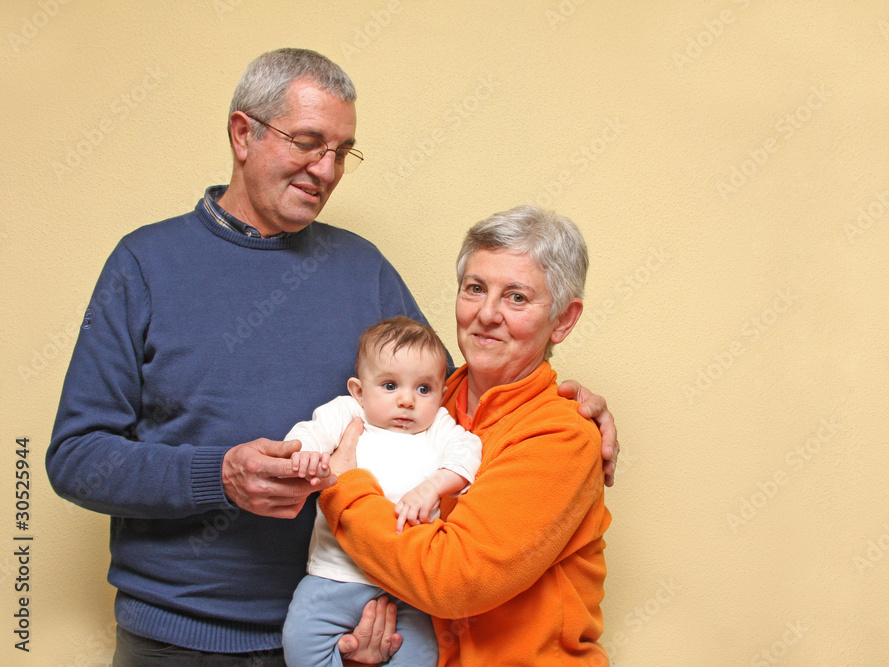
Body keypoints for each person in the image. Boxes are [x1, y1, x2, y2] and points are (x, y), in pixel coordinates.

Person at [45, 48, 618, 664]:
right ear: (244, 133)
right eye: (309, 142)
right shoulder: (144, 265)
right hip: (176, 638)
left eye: (342, 152)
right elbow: (75, 458)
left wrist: (571, 403)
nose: (326, 169)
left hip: (339, 630)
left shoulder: (363, 270)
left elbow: (450, 397)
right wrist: (217, 475)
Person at [320, 205, 612, 665]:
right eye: (475, 289)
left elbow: (453, 581)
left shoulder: (562, 434)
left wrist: (342, 489)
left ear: (563, 319)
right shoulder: (425, 404)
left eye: (517, 297)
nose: (487, 314)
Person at [282, 317, 481, 666]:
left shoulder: (438, 427)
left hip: (407, 587)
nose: (407, 401)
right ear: (359, 391)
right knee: (299, 642)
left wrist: (433, 487)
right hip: (334, 578)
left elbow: (468, 454)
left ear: (441, 394)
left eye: (423, 389)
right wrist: (306, 455)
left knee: (422, 656)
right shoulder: (347, 412)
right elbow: (309, 433)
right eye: (390, 385)